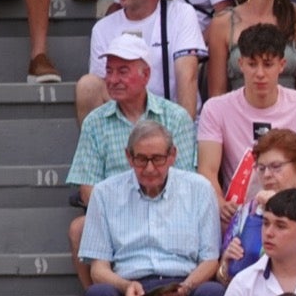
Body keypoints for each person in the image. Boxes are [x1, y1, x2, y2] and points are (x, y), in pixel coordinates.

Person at [79, 123, 223, 296]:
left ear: (172, 155)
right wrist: (124, 284)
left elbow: (210, 259)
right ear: (128, 157)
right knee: (97, 295)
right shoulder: (105, 193)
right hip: (131, 292)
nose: (149, 168)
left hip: (182, 286)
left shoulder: (198, 189)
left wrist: (187, 286)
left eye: (157, 159)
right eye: (141, 159)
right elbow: (98, 269)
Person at [65, 33, 198, 276]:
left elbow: (185, 182)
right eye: (109, 71)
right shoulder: (95, 122)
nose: (112, 79)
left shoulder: (175, 117)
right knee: (79, 229)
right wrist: (124, 217)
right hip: (116, 215)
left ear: (145, 75)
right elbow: (88, 189)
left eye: (122, 71)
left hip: (167, 210)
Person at [197, 31, 296, 213]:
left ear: (282, 65)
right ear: (240, 64)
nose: (260, 73)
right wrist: (220, 204)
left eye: (268, 64)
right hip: (239, 212)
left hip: (293, 212)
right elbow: (207, 171)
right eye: (252, 64)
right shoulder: (215, 109)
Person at [75, 0, 202, 124]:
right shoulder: (103, 28)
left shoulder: (181, 14)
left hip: (170, 120)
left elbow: (187, 77)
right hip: (125, 122)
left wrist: (182, 133)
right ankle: (100, 148)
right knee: (87, 86)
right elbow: (104, 87)